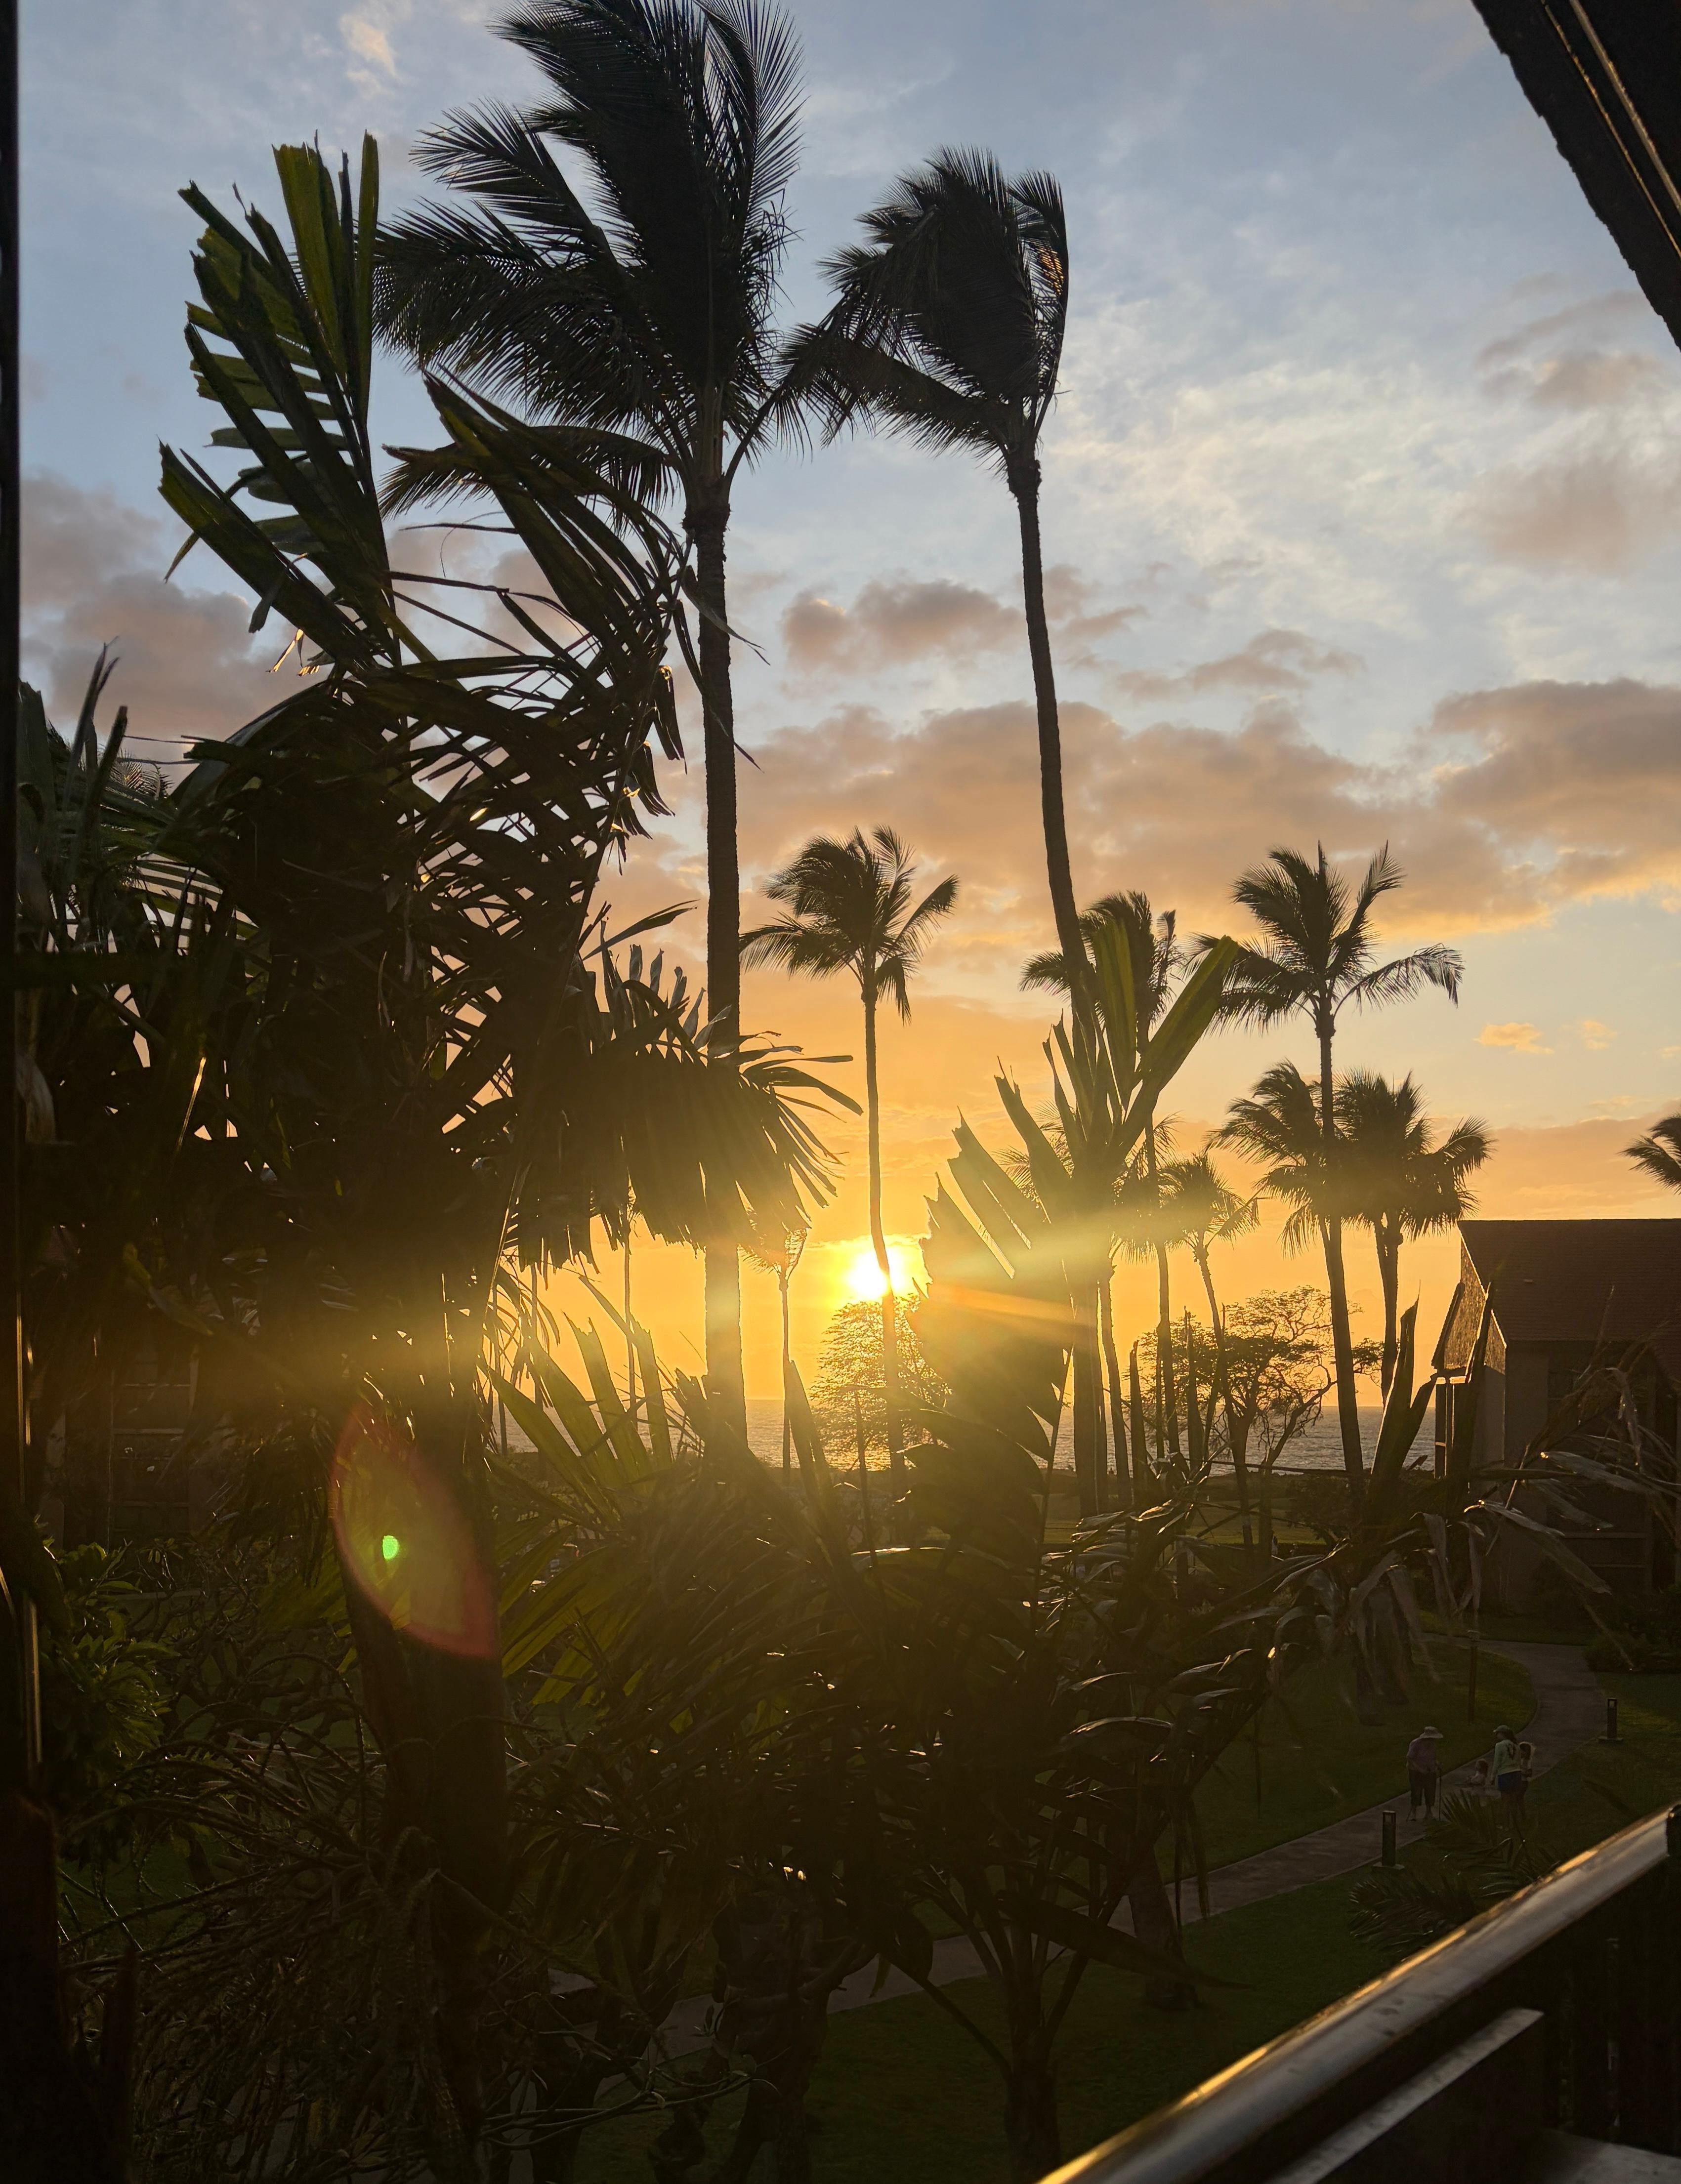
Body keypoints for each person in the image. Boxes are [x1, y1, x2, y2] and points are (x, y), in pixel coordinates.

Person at [1405, 1725, 1444, 1820]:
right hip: (1416, 1771)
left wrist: (1437, 1764)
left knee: (1430, 1791)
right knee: (1416, 1791)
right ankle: (1414, 1812)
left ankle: (1429, 1812)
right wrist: (1419, 1769)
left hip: (1430, 1770)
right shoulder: (1416, 1744)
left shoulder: (1433, 1745)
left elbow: (1433, 1758)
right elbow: (1410, 1758)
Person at [1493, 1724, 1524, 1828]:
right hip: (1516, 1773)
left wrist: (1493, 1776)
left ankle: (1506, 1825)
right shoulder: (1517, 1746)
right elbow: (1519, 1761)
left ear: (1502, 1734)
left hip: (1505, 1773)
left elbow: (1497, 1762)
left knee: (1505, 1801)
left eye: (1497, 1734)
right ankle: (1515, 1824)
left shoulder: (1500, 1746)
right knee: (1514, 1800)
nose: (1497, 1736)